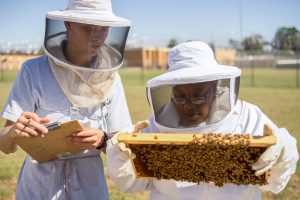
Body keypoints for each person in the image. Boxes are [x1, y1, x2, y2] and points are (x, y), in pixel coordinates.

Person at [106, 41, 299, 200]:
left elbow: (273, 184)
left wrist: (282, 151)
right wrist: (120, 157)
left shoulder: (248, 117)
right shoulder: (155, 126)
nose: (188, 106)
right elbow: (134, 183)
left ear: (216, 90)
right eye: (180, 96)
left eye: (198, 96)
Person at [0, 0, 132, 199]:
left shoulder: (112, 78)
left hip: (90, 190)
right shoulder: (33, 71)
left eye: (103, 28)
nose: (97, 35)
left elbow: (123, 146)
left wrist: (102, 140)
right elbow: (5, 145)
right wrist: (13, 132)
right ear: (67, 24)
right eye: (88, 27)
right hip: (39, 190)